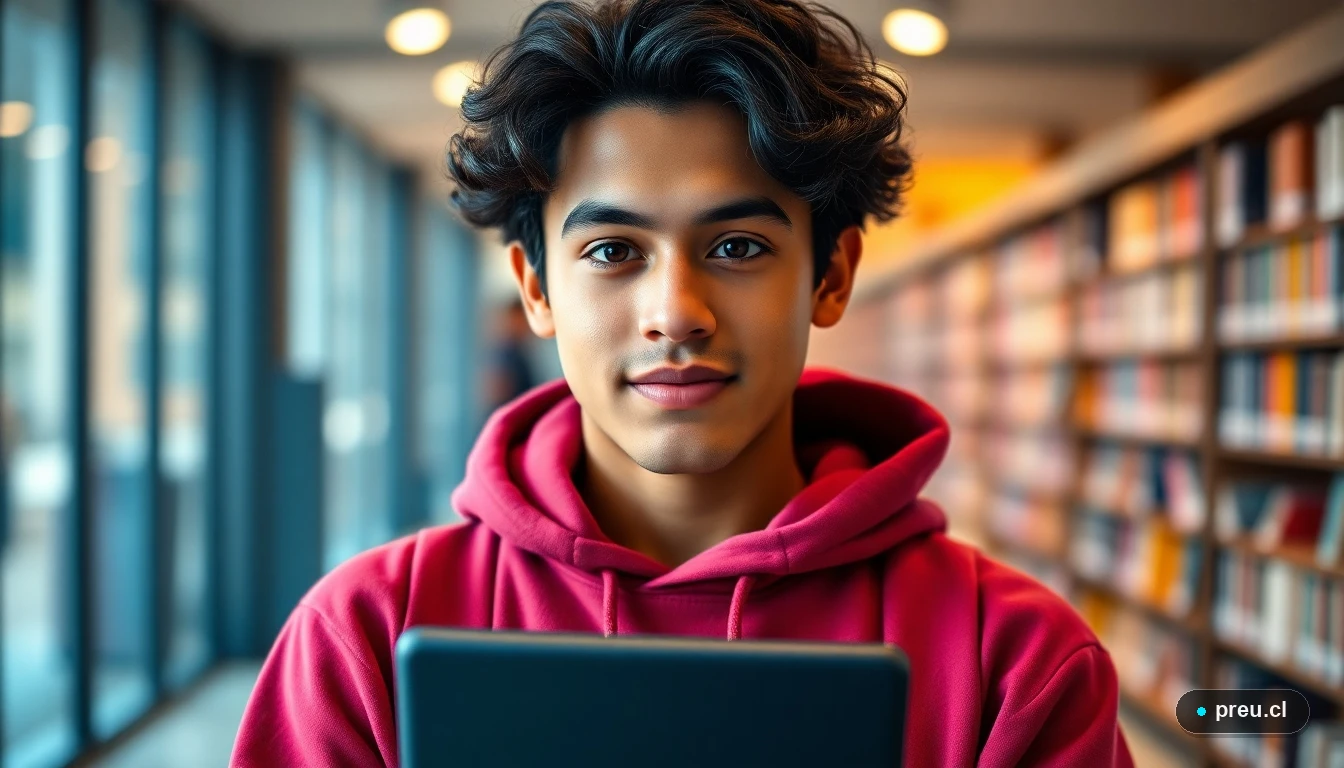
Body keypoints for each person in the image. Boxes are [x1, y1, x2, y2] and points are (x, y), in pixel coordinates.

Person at [231, 1, 1134, 765]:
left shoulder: (1015, 663)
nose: (676, 311)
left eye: (738, 247)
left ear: (831, 277)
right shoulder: (364, 637)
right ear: (537, 288)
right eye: (613, 251)